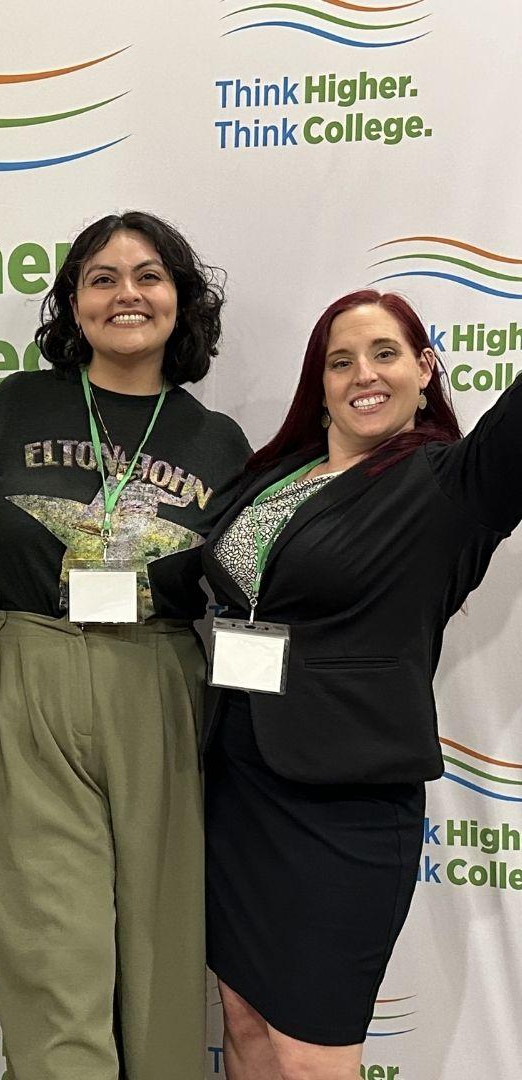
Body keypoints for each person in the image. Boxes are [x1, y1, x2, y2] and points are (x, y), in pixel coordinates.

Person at [201, 289, 521, 1080]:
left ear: (425, 368)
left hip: (344, 805)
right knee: (242, 1022)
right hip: (236, 787)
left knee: (312, 1052)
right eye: (339, 361)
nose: (362, 375)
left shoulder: (451, 484)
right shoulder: (274, 477)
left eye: (385, 354)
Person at [0, 211, 250, 1080]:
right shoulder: (18, 403)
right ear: (74, 303)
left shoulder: (217, 438)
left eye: (149, 275)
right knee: (54, 954)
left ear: (180, 299)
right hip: (26, 667)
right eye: (101, 277)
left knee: (165, 947)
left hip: (157, 673)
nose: (127, 293)